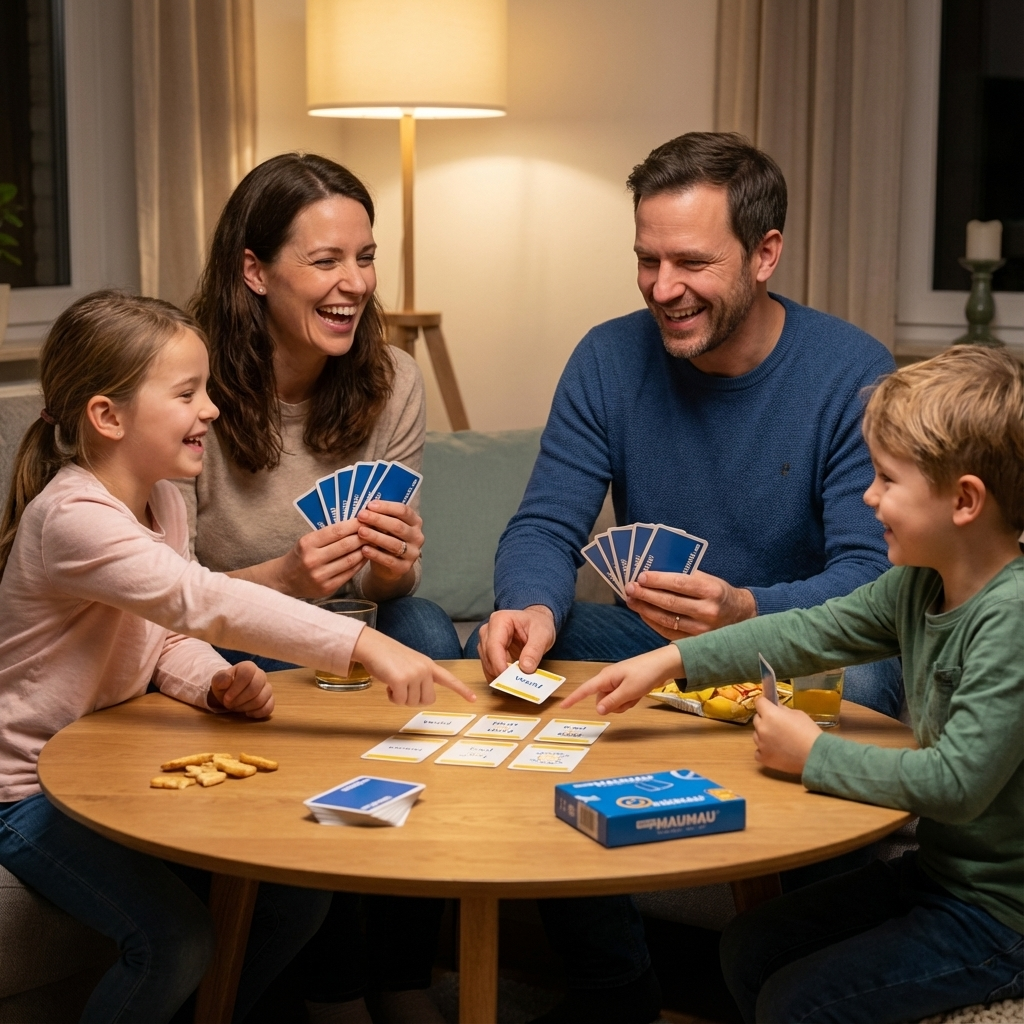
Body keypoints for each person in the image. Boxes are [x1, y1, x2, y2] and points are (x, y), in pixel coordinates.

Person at [468, 132, 899, 1023]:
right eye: (647, 259)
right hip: (654, 642)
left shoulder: (852, 372)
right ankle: (612, 987)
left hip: (802, 651)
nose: (663, 288)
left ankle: (799, 978)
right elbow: (547, 523)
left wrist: (746, 609)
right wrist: (531, 606)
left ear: (765, 254)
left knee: (867, 683)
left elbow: (870, 580)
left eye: (692, 263)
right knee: (523, 672)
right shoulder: (606, 357)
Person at [0, 291, 474, 1024]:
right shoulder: (72, 518)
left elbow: (165, 636)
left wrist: (215, 681)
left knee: (298, 893)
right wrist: (363, 642)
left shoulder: (165, 500)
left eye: (208, 390)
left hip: (107, 764)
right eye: (187, 393)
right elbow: (198, 600)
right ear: (107, 416)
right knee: (175, 941)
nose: (211, 409)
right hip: (28, 792)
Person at [564, 346, 1024, 1024]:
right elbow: (807, 631)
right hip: (942, 878)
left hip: (1002, 917)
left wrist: (813, 756)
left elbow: (956, 784)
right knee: (747, 947)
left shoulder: (1011, 618)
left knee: (794, 1002)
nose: (869, 497)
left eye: (887, 479)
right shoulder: (917, 584)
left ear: (964, 501)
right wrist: (671, 662)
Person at [186, 153, 456, 1024]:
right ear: (255, 271)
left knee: (430, 632)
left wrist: (394, 562)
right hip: (226, 637)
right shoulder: (186, 387)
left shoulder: (393, 379)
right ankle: (333, 986)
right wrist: (285, 580)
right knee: (320, 702)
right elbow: (159, 596)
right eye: (326, 260)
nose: (355, 285)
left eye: (365, 258)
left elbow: (389, 585)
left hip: (353, 625)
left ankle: (404, 974)